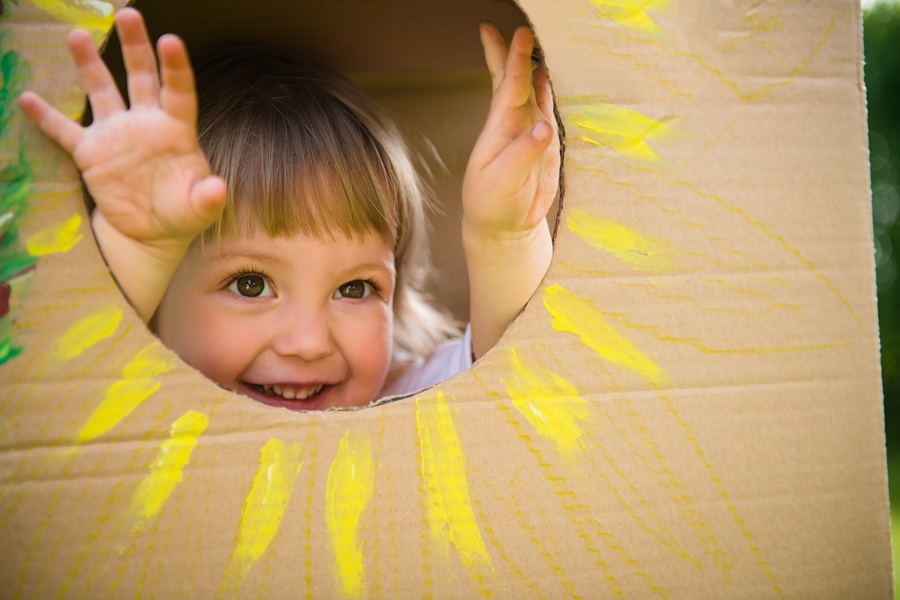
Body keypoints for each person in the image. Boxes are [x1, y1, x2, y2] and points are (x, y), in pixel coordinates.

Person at [18, 8, 560, 411]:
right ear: (152, 305)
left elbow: (510, 368)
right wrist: (137, 251)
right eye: (250, 284)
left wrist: (504, 239)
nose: (307, 344)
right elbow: (73, 373)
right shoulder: (126, 399)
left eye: (356, 288)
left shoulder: (401, 397)